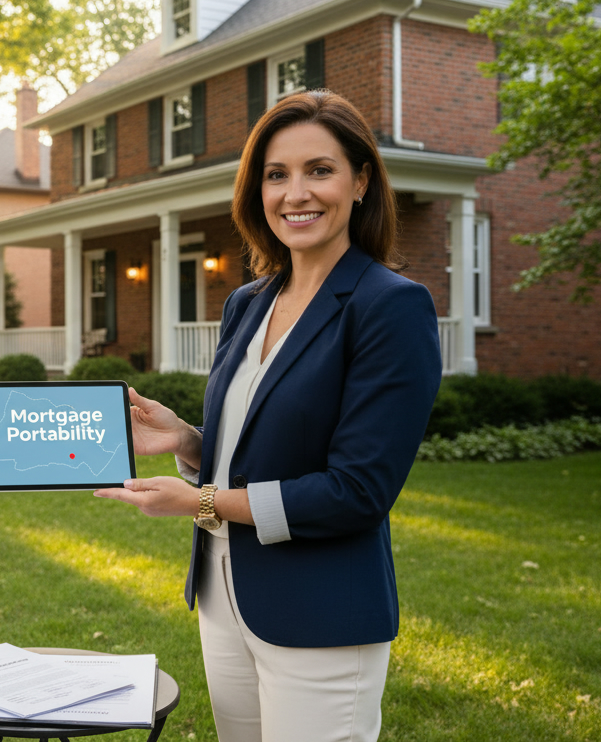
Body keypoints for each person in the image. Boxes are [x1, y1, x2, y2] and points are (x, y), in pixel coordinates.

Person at [94, 90, 441, 741]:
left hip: (322, 614)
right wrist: (190, 442)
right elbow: (256, 451)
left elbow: (358, 492)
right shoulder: (248, 303)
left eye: (320, 170)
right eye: (276, 175)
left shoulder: (390, 306)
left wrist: (199, 502)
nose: (295, 193)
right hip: (223, 598)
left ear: (361, 181)